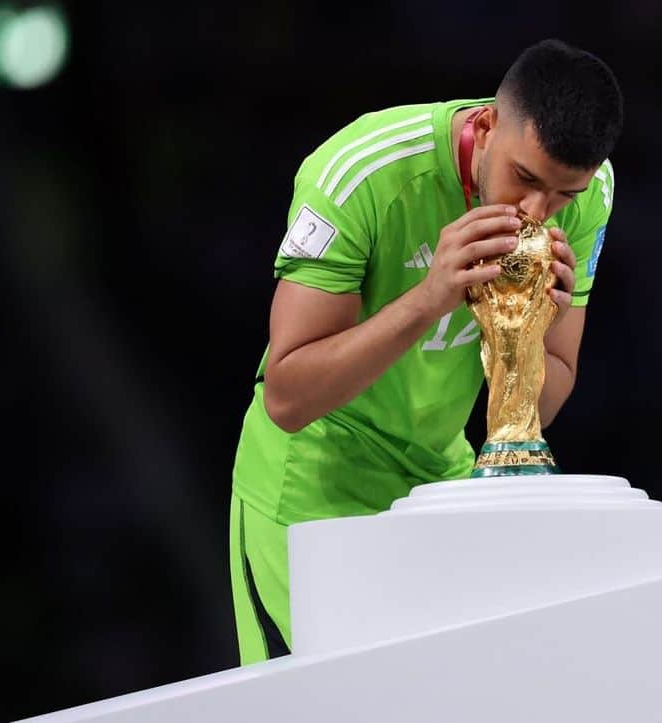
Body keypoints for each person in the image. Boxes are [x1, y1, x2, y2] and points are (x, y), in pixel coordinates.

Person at [229, 38, 624, 664]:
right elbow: (287, 396)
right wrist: (429, 299)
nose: (536, 210)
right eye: (523, 178)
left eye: (560, 195)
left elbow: (542, 408)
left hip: (437, 488)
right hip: (309, 496)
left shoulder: (591, 193)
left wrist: (522, 332)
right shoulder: (360, 172)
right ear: (489, 125)